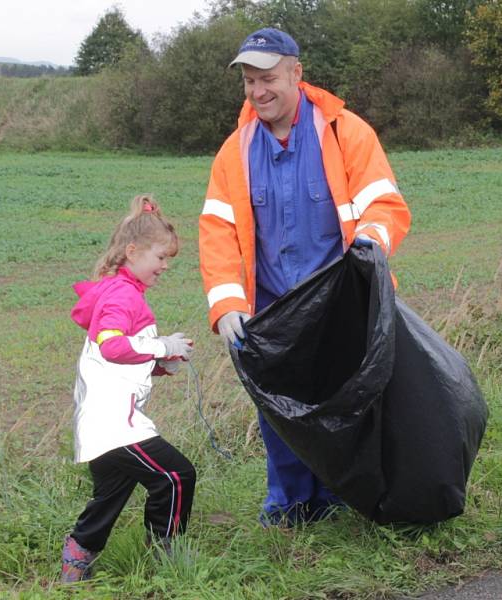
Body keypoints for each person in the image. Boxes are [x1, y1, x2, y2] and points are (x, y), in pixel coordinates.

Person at [198, 27, 411, 526]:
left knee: (347, 409)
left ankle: (345, 500)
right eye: (249, 81)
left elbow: (383, 203)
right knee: (280, 414)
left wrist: (371, 243)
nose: (258, 91)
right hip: (272, 312)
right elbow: (218, 231)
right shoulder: (235, 150)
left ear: (297, 73)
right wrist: (227, 303)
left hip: (341, 305)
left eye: (267, 78)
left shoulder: (345, 132)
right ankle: (291, 507)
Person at [60, 195, 197, 582]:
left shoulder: (121, 292)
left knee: (112, 493)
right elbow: (112, 346)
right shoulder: (121, 296)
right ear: (133, 252)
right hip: (115, 421)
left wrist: (161, 366)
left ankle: (77, 555)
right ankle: (166, 551)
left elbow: (118, 360)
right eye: (161, 257)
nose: (165, 266)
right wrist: (162, 345)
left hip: (101, 418)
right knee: (175, 475)